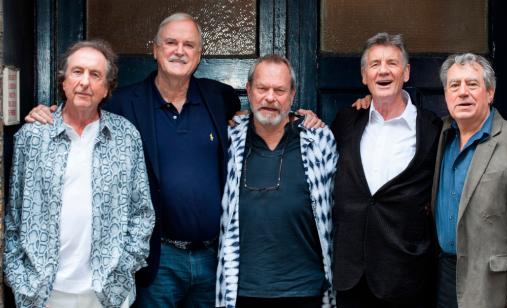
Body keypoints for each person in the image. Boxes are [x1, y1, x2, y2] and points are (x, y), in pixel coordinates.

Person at [25, 13, 323, 307]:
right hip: (159, 260)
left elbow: (262, 114)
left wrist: (302, 116)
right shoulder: (122, 104)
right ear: (155, 49)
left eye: (189, 45)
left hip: (211, 258)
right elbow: (82, 111)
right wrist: (51, 115)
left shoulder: (218, 97)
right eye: (171, 42)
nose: (179, 51)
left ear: (199, 54)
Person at [3, 40, 155, 308]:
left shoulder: (126, 136)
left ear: (107, 88)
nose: (85, 82)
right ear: (63, 81)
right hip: (42, 291)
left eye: (95, 75)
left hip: (105, 291)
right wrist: (18, 275)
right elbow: (14, 214)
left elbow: (141, 211)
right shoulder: (33, 137)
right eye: (77, 72)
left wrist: (122, 271)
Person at [216, 54, 337, 308]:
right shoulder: (229, 139)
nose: (270, 97)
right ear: (249, 91)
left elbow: (341, 206)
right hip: (242, 292)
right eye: (262, 88)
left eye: (279, 90)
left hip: (305, 292)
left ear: (292, 95)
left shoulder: (319, 140)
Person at [330, 32, 441, 307]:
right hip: (351, 276)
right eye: (374, 64)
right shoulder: (347, 121)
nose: (383, 70)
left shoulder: (432, 129)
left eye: (392, 63)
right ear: (364, 76)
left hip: (407, 276)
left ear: (406, 73)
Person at [433, 53, 507, 308]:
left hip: (490, 288)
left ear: (490, 92)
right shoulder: (439, 135)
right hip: (442, 279)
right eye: (454, 85)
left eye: (472, 84)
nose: (463, 92)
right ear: (445, 95)